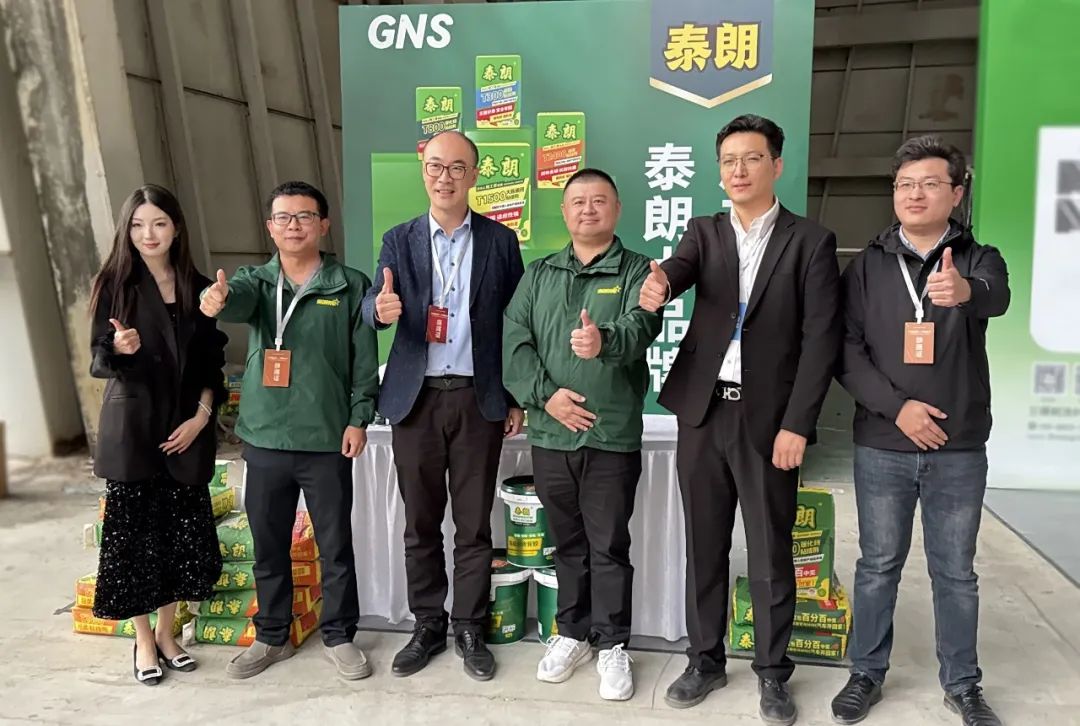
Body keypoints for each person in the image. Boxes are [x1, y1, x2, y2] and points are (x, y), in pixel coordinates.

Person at [639, 114, 842, 725]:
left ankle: (773, 673)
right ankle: (704, 660)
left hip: (769, 420)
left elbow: (820, 341)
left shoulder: (810, 241)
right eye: (729, 160)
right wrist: (660, 284)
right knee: (703, 545)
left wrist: (797, 424)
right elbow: (678, 269)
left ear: (776, 165)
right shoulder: (704, 232)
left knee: (770, 551)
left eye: (751, 158)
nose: (739, 170)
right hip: (703, 414)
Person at [830, 136, 1009, 726]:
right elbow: (846, 351)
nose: (915, 194)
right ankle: (866, 673)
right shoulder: (867, 266)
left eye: (930, 184)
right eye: (905, 184)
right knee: (877, 564)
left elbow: (996, 298)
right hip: (883, 441)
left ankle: (962, 684)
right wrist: (898, 408)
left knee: (955, 572)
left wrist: (965, 292)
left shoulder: (979, 259)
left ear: (956, 193)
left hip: (958, 447)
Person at [361, 130, 525, 681]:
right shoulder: (399, 239)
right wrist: (378, 309)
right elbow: (373, 301)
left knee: (474, 526)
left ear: (474, 175)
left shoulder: (500, 242)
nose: (445, 177)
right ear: (423, 171)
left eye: (457, 167)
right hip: (416, 401)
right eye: (436, 166)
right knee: (421, 524)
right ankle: (428, 624)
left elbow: (516, 324)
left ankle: (470, 627)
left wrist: (514, 396)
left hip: (479, 401)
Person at [199, 180, 379, 681]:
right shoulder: (256, 282)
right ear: (270, 227)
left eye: (304, 216)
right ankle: (272, 635)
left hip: (326, 438)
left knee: (335, 546)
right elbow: (233, 302)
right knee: (269, 543)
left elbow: (364, 360)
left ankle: (339, 635)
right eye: (283, 217)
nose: (294, 225)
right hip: (265, 438)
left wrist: (358, 417)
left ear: (323, 225)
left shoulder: (349, 284)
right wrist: (216, 299)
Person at [502, 168, 661, 700]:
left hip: (610, 433)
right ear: (565, 211)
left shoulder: (638, 270)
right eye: (578, 202)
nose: (588, 210)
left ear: (617, 209)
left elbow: (642, 326)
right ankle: (572, 634)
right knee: (568, 544)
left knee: (608, 545)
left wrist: (603, 342)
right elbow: (514, 340)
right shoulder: (540, 273)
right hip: (551, 434)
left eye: (599, 201)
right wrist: (545, 397)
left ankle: (613, 644)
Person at [89, 184, 228, 686]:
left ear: (176, 228)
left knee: (176, 539)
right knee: (134, 544)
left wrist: (201, 417)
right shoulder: (115, 284)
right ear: (127, 231)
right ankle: (144, 640)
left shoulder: (197, 287)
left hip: (184, 429)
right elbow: (98, 358)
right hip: (135, 431)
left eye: (159, 223)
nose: (149, 234)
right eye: (138, 225)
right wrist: (119, 348)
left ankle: (170, 634)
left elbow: (212, 362)